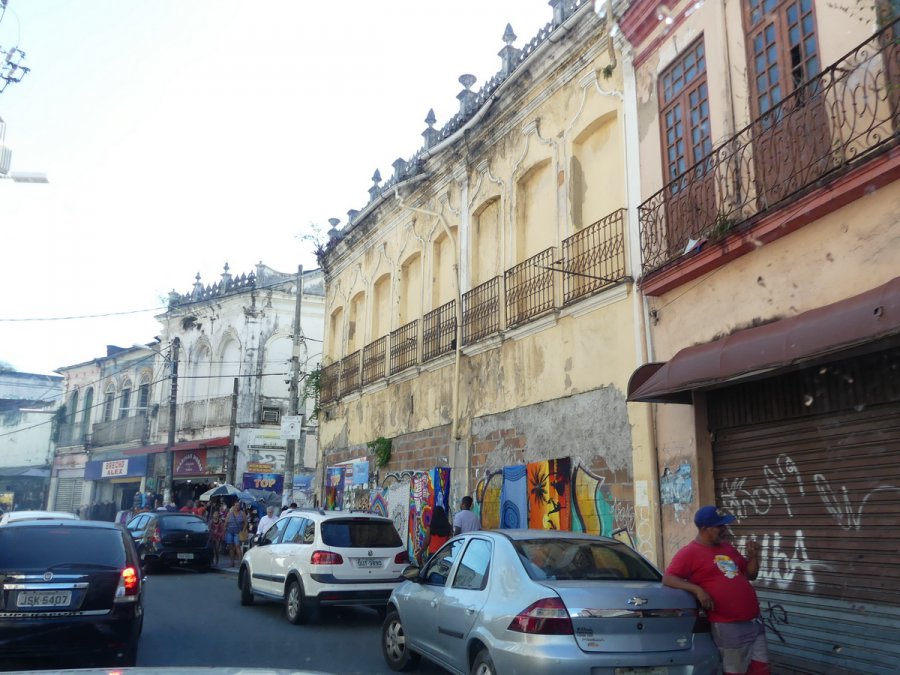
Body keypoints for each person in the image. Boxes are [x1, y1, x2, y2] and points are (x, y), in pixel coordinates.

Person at [663, 505, 768, 675]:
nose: (724, 529)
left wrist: (753, 556)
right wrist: (697, 590)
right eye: (719, 526)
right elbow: (668, 578)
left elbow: (751, 574)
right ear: (704, 528)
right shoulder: (689, 553)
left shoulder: (727, 548)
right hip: (729, 625)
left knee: (761, 669)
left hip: (754, 621)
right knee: (736, 670)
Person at [224, 502, 247, 567]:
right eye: (236, 505)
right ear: (233, 506)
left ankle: (241, 563)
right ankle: (232, 562)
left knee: (237, 546)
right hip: (229, 532)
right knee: (231, 547)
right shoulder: (230, 513)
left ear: (240, 506)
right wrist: (224, 528)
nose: (237, 507)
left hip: (237, 532)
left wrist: (243, 530)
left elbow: (246, 522)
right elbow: (226, 522)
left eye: (238, 505)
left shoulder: (242, 513)